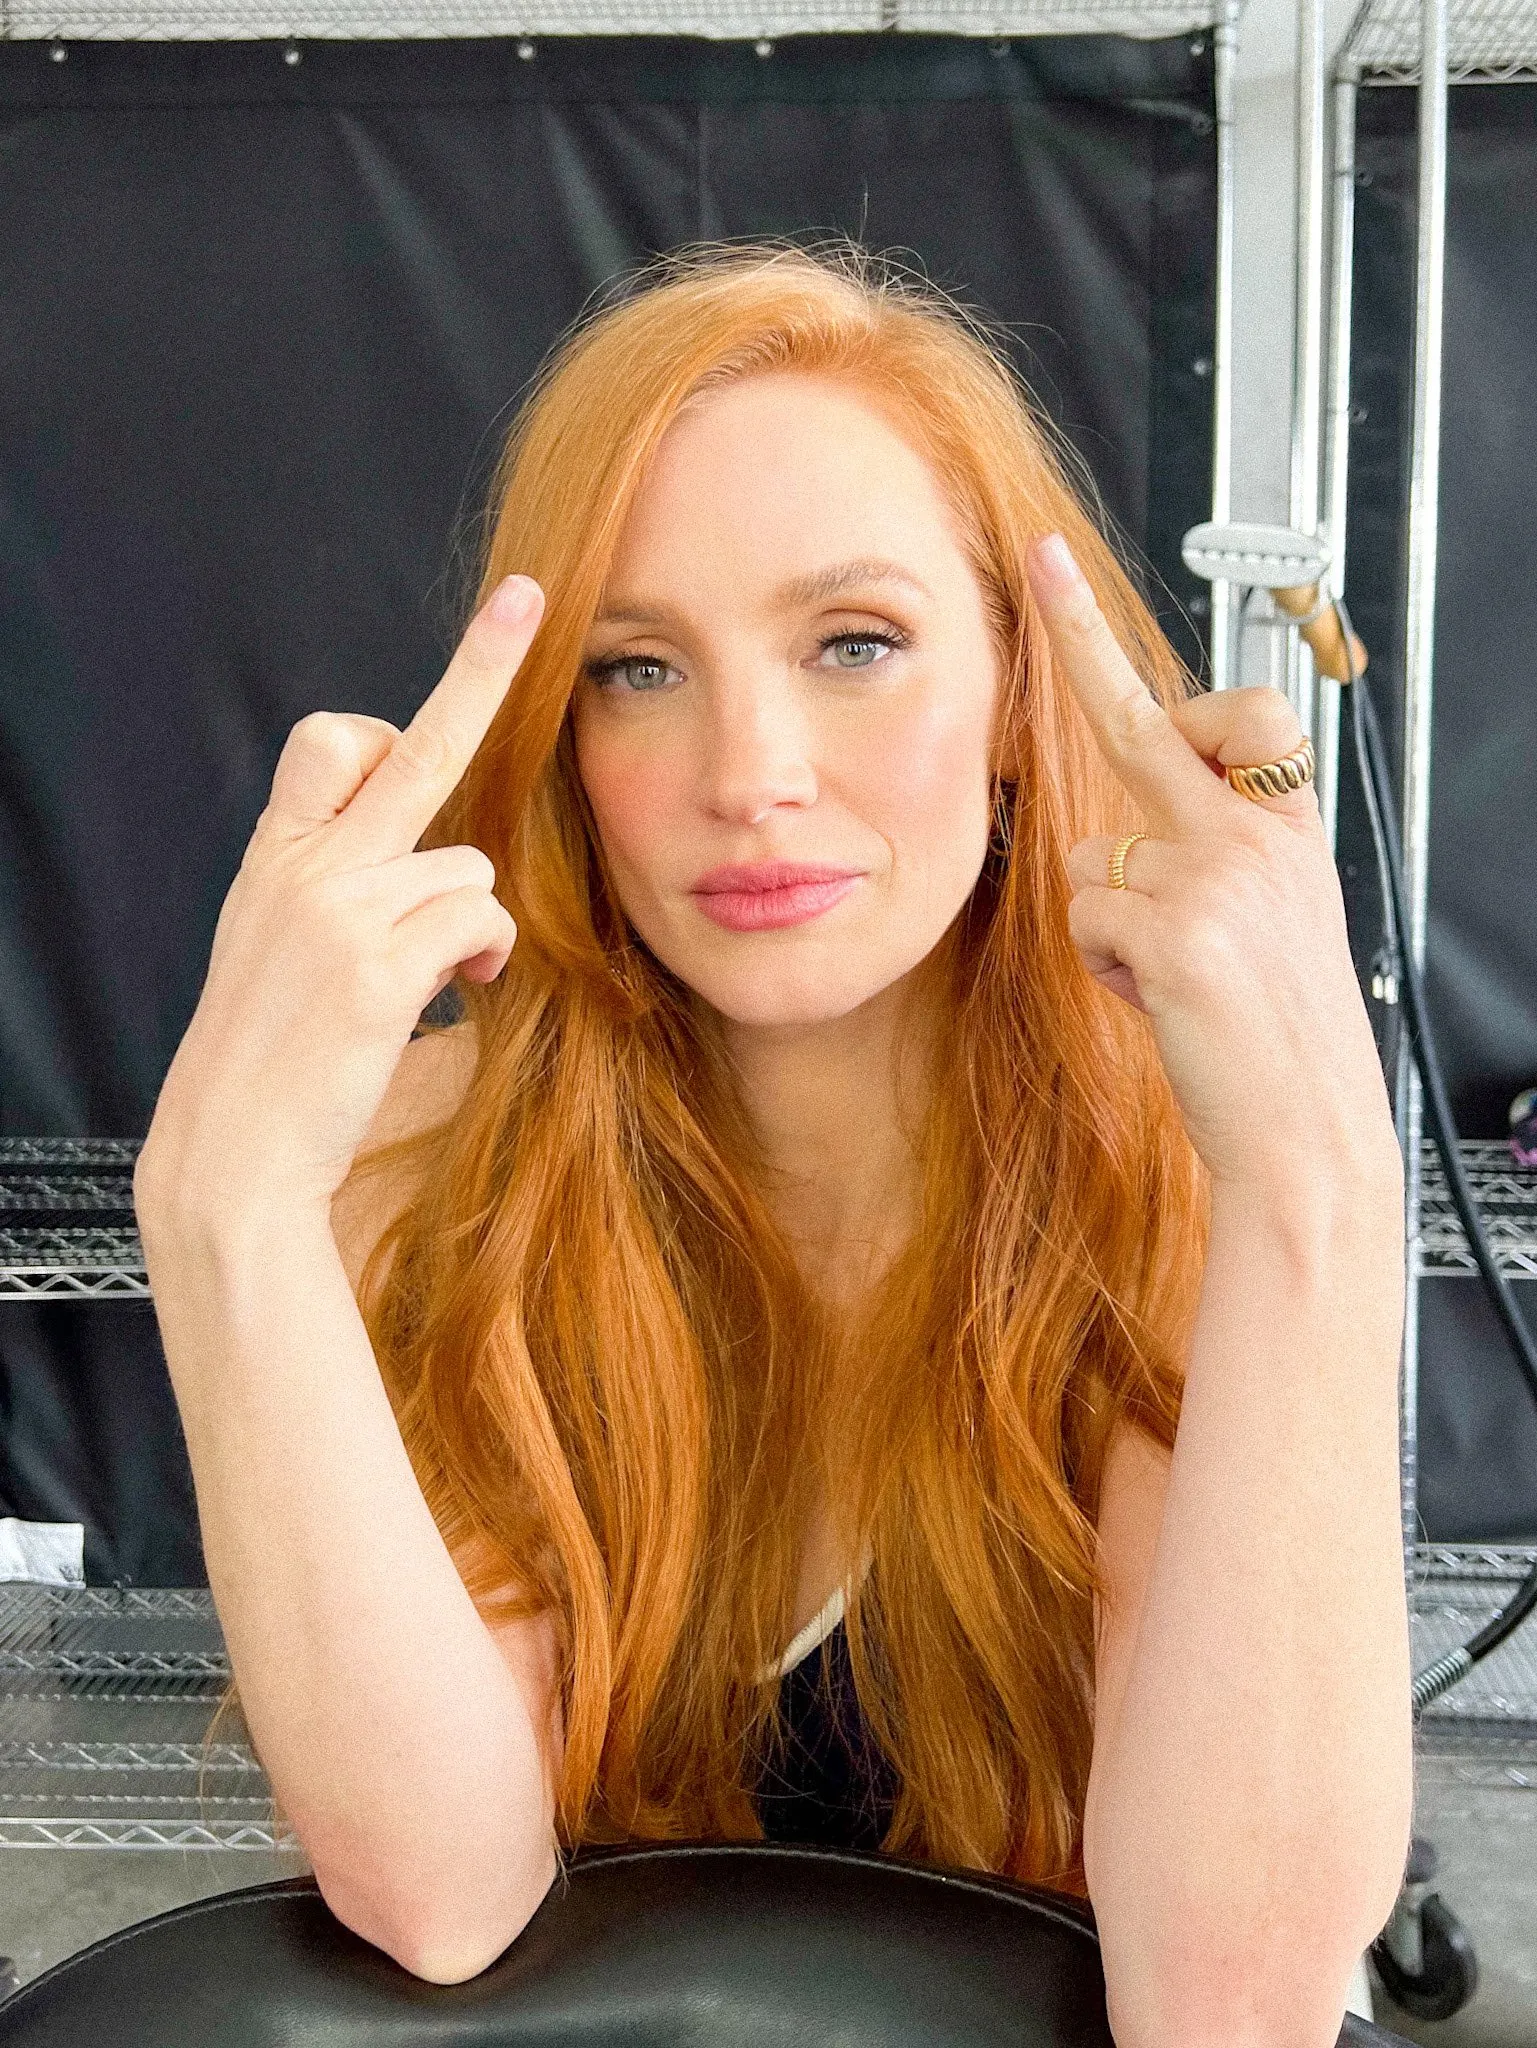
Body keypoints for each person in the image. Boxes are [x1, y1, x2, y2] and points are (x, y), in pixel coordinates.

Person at [132, 241, 1414, 2044]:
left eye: (855, 644)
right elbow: (442, 1898)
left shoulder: (1186, 1176)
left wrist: (1321, 1185)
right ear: (561, 734)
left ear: (1018, 691)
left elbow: (1233, 2002)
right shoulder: (428, 1163)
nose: (750, 774)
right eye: (637, 667)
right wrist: (220, 1207)